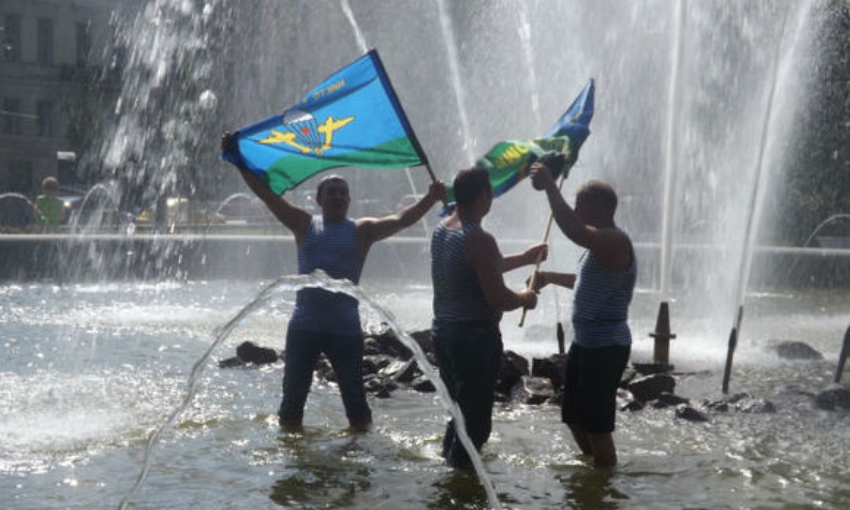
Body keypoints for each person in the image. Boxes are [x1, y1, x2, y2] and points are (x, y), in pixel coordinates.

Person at [221, 132, 447, 432]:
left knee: (354, 397)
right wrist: (239, 162)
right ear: (319, 199)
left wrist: (431, 199)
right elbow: (267, 195)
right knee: (293, 397)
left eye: (342, 192)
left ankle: (358, 450)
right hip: (304, 325)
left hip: (344, 328)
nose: (337, 196)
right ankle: (293, 453)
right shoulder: (303, 223)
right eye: (331, 191)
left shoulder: (362, 230)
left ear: (349, 200)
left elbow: (401, 219)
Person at [431, 167, 546, 467]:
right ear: (484, 194)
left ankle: (448, 463)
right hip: (474, 339)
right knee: (477, 426)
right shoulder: (479, 238)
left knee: (459, 411)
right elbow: (497, 297)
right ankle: (460, 483)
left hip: (443, 334)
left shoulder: (444, 228)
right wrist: (526, 299)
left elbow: (481, 267)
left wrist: (524, 257)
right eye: (490, 192)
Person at [529, 162, 636, 468]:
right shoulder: (598, 247)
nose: (575, 211)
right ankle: (593, 468)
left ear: (600, 208)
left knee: (598, 425)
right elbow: (583, 282)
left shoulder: (614, 241)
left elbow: (574, 231)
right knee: (573, 416)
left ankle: (604, 486)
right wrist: (549, 276)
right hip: (585, 343)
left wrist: (551, 186)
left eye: (580, 206)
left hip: (606, 346)